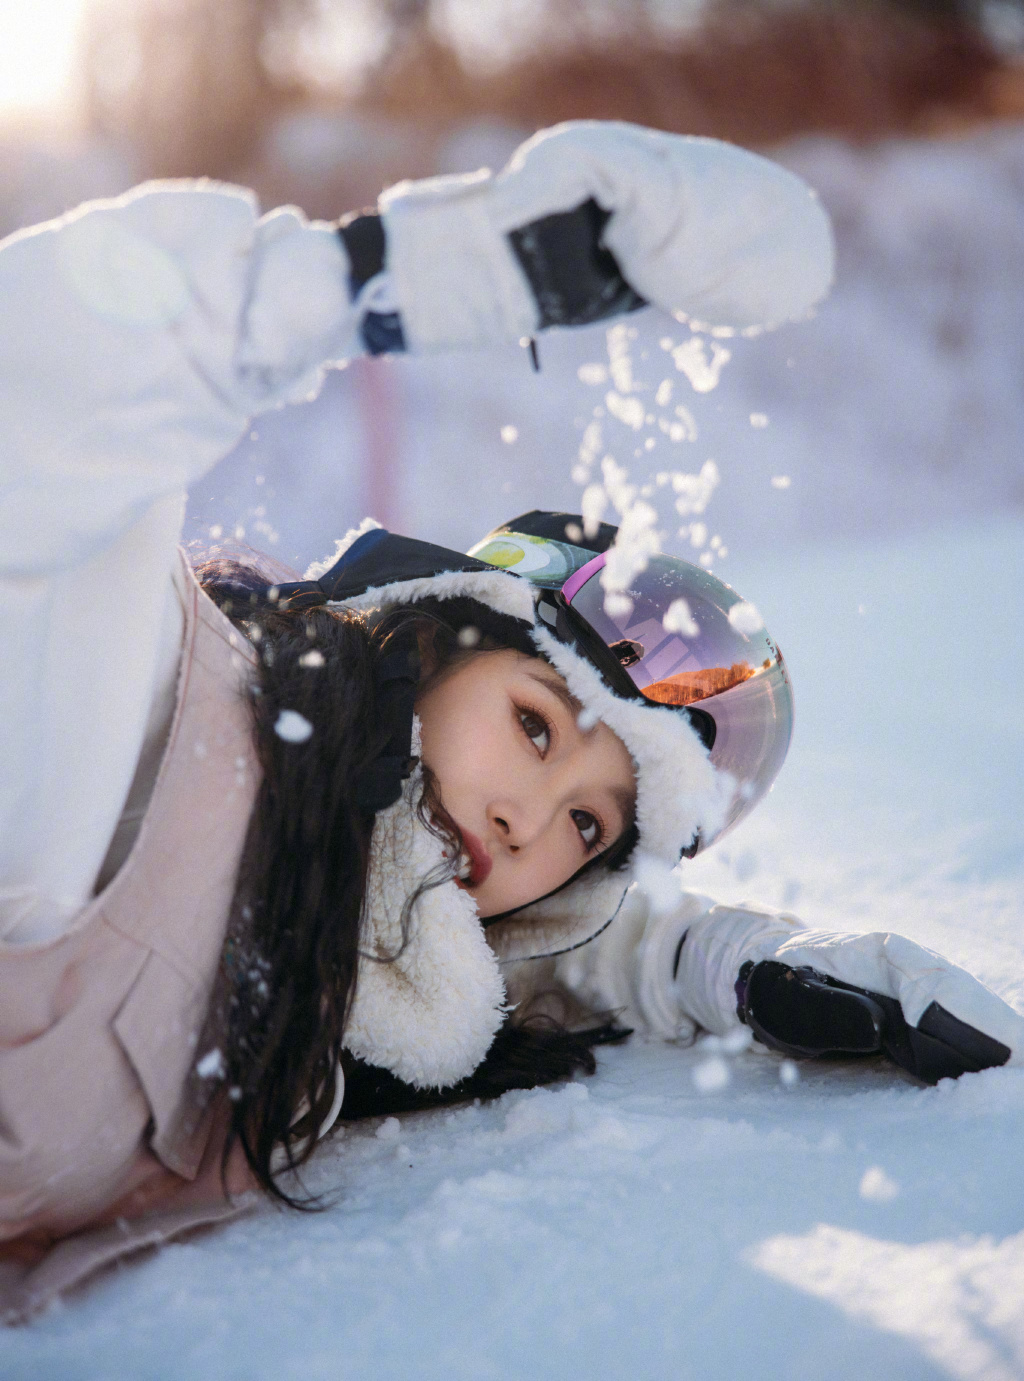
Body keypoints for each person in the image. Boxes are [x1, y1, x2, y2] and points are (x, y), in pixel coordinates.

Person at [0, 121, 1019, 1323]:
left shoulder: (378, 965)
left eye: (591, 824)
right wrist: (395, 275)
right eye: (536, 726)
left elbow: (567, 956)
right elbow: (39, 394)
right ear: (431, 641)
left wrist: (732, 966)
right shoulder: (160, 700)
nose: (528, 821)